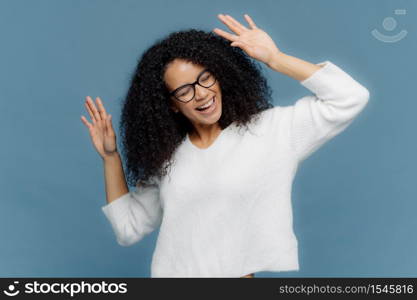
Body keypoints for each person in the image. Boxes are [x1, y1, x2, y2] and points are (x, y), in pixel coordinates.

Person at [80, 14, 369, 278]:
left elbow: (350, 97)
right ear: (172, 105)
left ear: (220, 75)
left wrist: (275, 58)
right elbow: (127, 229)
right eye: (184, 90)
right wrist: (110, 157)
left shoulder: (271, 132)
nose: (201, 94)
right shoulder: (171, 160)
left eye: (205, 78)